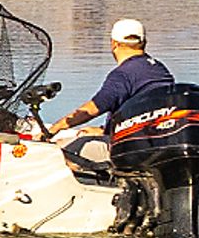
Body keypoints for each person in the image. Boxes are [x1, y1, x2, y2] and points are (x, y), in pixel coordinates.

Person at [33, 18, 175, 154]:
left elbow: (92, 109)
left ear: (114, 44)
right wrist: (104, 131)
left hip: (132, 148)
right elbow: (144, 113)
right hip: (157, 139)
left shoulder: (122, 74)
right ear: (144, 42)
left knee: (59, 150)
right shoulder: (159, 68)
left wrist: (54, 129)